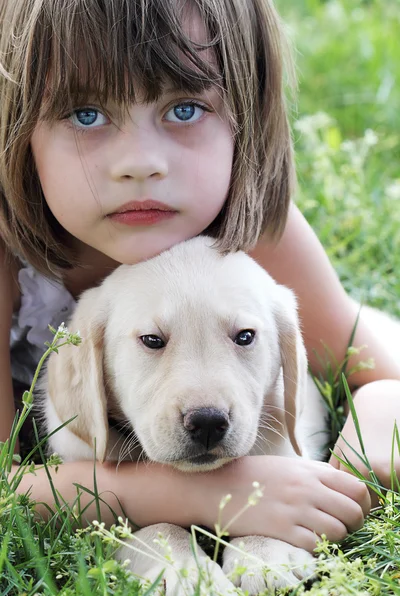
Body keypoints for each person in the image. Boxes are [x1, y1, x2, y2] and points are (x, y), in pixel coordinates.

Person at [0, 0, 398, 556]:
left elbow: (380, 377)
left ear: (247, 117)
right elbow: (8, 487)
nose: (139, 163)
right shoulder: (6, 257)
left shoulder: (252, 226)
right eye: (85, 113)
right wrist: (204, 495)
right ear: (15, 129)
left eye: (184, 109)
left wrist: (359, 455)